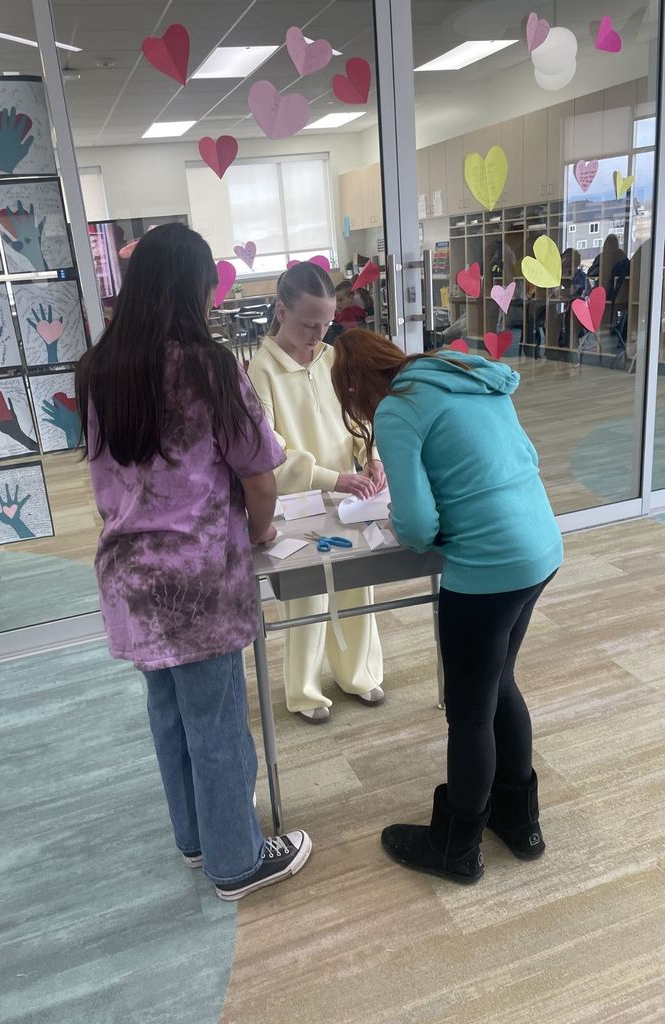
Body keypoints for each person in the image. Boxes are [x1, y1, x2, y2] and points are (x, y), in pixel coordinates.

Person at [75, 223, 311, 901]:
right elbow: (260, 478)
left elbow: (104, 483)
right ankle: (236, 861)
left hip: (130, 575)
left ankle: (196, 837)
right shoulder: (210, 368)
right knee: (215, 720)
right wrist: (261, 532)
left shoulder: (97, 370)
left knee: (169, 712)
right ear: (194, 289)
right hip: (197, 578)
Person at [331, 329, 563, 884]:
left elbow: (414, 524)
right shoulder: (470, 376)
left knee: (468, 712)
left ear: (356, 384)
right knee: (499, 681)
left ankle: (456, 846)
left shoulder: (398, 408)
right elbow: (522, 456)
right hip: (540, 546)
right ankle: (519, 822)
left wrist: (417, 527)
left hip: (487, 567)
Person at [247, 262, 385, 724]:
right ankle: (305, 691)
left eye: (327, 323)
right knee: (308, 595)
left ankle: (358, 673)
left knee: (356, 584)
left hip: (351, 492)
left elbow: (359, 416)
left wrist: (373, 455)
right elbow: (270, 453)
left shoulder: (330, 358)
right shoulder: (260, 370)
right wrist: (332, 478)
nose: (319, 333)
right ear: (281, 312)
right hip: (299, 498)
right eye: (310, 324)